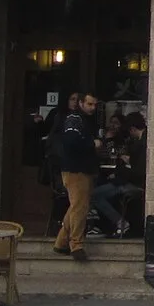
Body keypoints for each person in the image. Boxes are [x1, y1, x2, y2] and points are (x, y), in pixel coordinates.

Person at [51, 91, 101, 262]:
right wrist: (91, 143)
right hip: (75, 169)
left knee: (76, 206)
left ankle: (61, 242)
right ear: (81, 103)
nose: (93, 108)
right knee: (79, 208)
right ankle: (76, 245)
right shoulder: (75, 119)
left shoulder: (83, 120)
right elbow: (71, 141)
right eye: (89, 104)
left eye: (95, 104)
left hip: (81, 169)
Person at [92, 111, 139, 237]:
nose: (113, 126)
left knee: (96, 194)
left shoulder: (127, 141)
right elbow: (101, 155)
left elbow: (120, 156)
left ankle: (114, 223)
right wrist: (107, 139)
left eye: (116, 123)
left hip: (124, 179)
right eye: (111, 123)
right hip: (112, 176)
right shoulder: (106, 139)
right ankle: (101, 223)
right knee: (96, 187)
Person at [40, 92, 80, 236]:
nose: (75, 103)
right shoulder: (61, 121)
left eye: (77, 100)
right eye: (72, 99)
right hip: (63, 174)